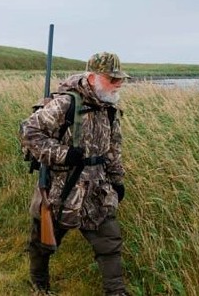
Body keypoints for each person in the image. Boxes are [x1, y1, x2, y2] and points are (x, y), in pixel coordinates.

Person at [20, 52, 130, 295]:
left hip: (98, 188)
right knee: (44, 241)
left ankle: (116, 292)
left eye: (120, 79)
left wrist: (117, 181)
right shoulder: (66, 104)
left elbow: (114, 149)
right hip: (64, 187)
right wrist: (63, 154)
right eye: (112, 79)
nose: (118, 84)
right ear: (92, 78)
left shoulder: (110, 108)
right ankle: (39, 284)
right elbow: (29, 133)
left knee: (109, 243)